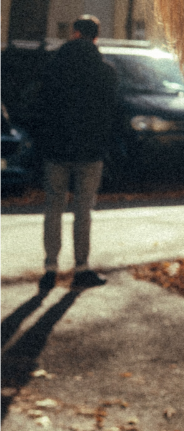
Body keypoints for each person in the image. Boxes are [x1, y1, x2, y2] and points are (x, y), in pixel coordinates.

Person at [34, 15, 118, 292]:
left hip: (56, 148)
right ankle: (81, 267)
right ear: (96, 37)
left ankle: (50, 267)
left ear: (74, 34)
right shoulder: (106, 71)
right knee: (83, 209)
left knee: (53, 207)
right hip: (90, 150)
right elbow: (111, 113)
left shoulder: (52, 66)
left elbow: (42, 106)